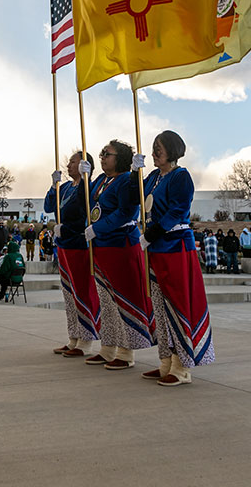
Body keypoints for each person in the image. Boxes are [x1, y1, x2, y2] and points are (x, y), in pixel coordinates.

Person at [132, 131, 213, 386]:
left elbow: (178, 209)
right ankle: (165, 361)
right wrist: (135, 173)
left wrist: (154, 232)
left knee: (178, 307)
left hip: (175, 246)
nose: (155, 153)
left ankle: (182, 366)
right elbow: (138, 199)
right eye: (154, 148)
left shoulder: (181, 176)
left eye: (159, 148)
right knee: (160, 306)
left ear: (172, 150)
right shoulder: (154, 177)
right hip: (156, 249)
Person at [82, 139, 155, 370]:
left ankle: (126, 351)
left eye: (108, 154)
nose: (103, 156)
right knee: (107, 301)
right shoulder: (101, 180)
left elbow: (127, 212)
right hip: (101, 247)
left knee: (124, 300)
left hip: (121, 245)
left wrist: (99, 228)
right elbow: (87, 204)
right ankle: (108, 347)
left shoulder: (125, 180)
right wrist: (86, 177)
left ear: (120, 158)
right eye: (102, 153)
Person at [45, 150, 100, 356]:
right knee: (69, 293)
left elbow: (84, 212)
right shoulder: (66, 187)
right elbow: (49, 206)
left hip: (79, 244)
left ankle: (86, 340)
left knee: (81, 292)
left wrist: (87, 180)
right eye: (68, 162)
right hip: (64, 245)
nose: (68, 166)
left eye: (73, 162)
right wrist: (53, 186)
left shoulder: (90, 188)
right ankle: (73, 336)